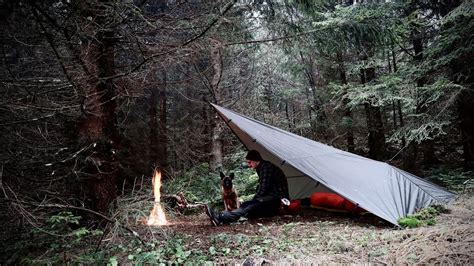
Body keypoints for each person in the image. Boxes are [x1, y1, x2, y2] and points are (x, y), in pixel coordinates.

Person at [205, 150, 289, 226]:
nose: (249, 165)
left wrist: (254, 201)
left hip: (277, 200)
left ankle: (220, 217)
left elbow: (263, 189)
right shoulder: (262, 167)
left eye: (250, 162)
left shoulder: (266, 168)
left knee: (251, 207)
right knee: (247, 204)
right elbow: (263, 188)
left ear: (256, 160)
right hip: (270, 198)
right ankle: (223, 217)